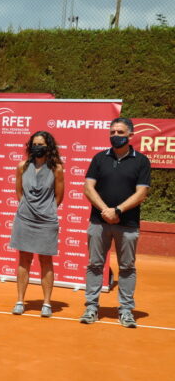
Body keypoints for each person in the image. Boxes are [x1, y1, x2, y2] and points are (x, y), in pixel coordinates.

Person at [80, 117, 151, 328]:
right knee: (95, 265)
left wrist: (118, 210)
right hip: (98, 222)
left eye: (120, 133)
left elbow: (142, 193)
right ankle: (91, 307)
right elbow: (88, 187)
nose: (115, 136)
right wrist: (105, 210)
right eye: (112, 132)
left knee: (127, 267)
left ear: (130, 135)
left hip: (127, 223)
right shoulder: (99, 158)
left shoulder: (141, 161)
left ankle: (126, 310)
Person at [8, 131, 64, 317]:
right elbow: (18, 192)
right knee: (24, 260)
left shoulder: (56, 168)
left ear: (49, 147)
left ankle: (47, 303)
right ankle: (20, 301)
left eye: (41, 144)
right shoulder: (22, 166)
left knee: (46, 260)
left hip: (46, 221)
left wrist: (46, 210)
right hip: (25, 218)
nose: (37, 147)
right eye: (34, 144)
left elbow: (59, 196)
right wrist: (27, 208)